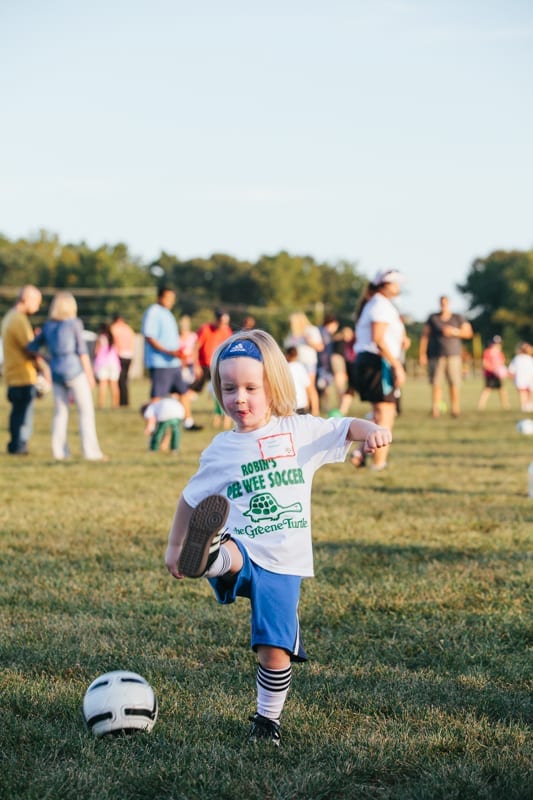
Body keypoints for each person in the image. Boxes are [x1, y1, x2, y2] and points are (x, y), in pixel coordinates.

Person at [164, 329, 392, 746]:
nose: (240, 399)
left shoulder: (299, 431)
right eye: (229, 388)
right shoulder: (221, 449)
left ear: (275, 386)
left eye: (252, 387)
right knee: (231, 553)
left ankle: (268, 721)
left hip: (285, 563)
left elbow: (346, 427)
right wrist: (177, 547)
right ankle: (209, 555)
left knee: (274, 648)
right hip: (244, 545)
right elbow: (190, 499)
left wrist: (373, 429)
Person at [27, 291, 107, 461]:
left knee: (60, 413)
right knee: (85, 412)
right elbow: (82, 351)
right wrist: (90, 375)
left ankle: (60, 453)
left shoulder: (48, 326)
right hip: (74, 371)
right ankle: (91, 452)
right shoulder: (74, 324)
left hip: (56, 372)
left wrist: (46, 359)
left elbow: (32, 347)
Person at [350, 270, 406, 471]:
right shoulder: (380, 305)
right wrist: (396, 365)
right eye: (395, 283)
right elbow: (378, 338)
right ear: (384, 285)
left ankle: (359, 451)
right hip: (377, 363)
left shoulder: (379, 304)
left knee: (379, 413)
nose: (398, 287)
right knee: (385, 414)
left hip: (374, 362)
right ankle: (379, 463)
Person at [141, 287, 202, 431]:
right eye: (167, 298)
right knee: (157, 396)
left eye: (172, 299)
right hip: (161, 363)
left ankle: (188, 422)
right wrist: (169, 352)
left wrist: (178, 355)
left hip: (173, 362)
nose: (170, 302)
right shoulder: (153, 312)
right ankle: (151, 426)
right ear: (159, 297)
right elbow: (150, 336)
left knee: (184, 393)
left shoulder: (167, 313)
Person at [1, 285, 49, 455]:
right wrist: (45, 367)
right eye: (37, 302)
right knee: (23, 416)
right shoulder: (19, 319)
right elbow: (29, 349)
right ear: (26, 299)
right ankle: (19, 445)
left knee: (17, 413)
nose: (38, 306)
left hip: (12, 373)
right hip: (22, 375)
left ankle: (14, 444)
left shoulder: (9, 317)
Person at [419, 295, 473, 418]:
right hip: (436, 355)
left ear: (449, 304)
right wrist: (422, 354)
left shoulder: (457, 317)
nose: (443, 305)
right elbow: (425, 336)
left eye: (445, 303)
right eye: (441, 303)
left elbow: (468, 333)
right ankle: (435, 409)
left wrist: (454, 331)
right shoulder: (433, 318)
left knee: (454, 383)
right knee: (437, 383)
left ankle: (455, 409)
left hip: (453, 355)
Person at [285, 312, 324, 416]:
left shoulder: (311, 330)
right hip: (296, 363)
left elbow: (320, 346)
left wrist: (308, 340)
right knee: (298, 387)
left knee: (310, 387)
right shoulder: (293, 333)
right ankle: (302, 409)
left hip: (308, 362)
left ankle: (315, 411)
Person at [477, 336, 510, 410]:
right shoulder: (487, 352)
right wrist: (493, 369)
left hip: (497, 376)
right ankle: (481, 406)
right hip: (490, 375)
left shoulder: (500, 353)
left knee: (502, 389)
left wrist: (502, 371)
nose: (497, 345)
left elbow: (502, 363)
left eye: (499, 344)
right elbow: (485, 364)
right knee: (487, 389)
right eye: (495, 344)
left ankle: (505, 405)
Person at [110, 314, 136, 406]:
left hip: (120, 355)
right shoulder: (129, 329)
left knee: (120, 380)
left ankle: (122, 402)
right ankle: (124, 401)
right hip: (129, 355)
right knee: (124, 379)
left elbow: (114, 342)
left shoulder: (114, 328)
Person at [93, 323, 121, 408]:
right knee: (114, 385)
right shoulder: (113, 338)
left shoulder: (100, 338)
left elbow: (96, 351)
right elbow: (118, 350)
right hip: (114, 363)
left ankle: (101, 404)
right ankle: (115, 404)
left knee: (102, 384)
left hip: (102, 363)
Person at [285, 345, 312, 413]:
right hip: (302, 403)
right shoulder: (301, 367)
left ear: (287, 355)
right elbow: (307, 386)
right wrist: (308, 401)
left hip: (291, 405)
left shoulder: (285, 368)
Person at [508, 342, 533, 412]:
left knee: (523, 393)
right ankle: (528, 406)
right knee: (529, 392)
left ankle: (524, 406)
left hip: (520, 379)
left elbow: (511, 370)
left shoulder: (516, 358)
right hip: (529, 378)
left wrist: (512, 377)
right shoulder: (529, 359)